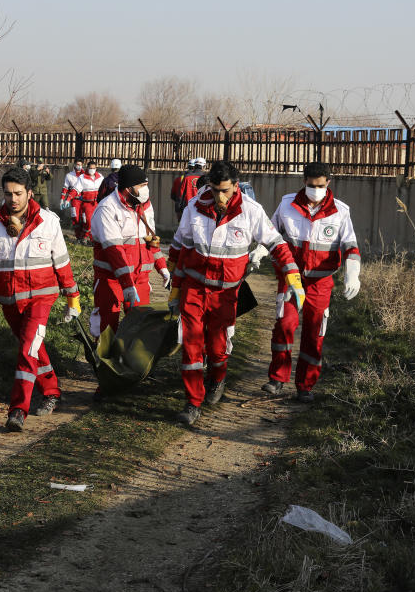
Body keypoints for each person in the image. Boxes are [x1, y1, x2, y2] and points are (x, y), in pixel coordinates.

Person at [167, 160, 304, 426]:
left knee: (218, 349)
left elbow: (277, 244)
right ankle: (192, 402)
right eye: (215, 189)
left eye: (225, 190)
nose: (220, 196)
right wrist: (173, 286)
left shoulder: (250, 211)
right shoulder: (194, 208)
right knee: (191, 345)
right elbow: (179, 246)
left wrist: (293, 276)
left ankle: (217, 378)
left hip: (226, 294)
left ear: (236, 186)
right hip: (194, 289)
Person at [0, 167, 81, 432]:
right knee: (33, 347)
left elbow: (62, 263)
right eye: (8, 193)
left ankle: (18, 410)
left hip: (41, 298)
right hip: (10, 302)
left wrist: (73, 297)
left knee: (27, 350)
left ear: (29, 193)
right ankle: (51, 391)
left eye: (17, 193)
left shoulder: (48, 222)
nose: (12, 199)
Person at [262, 162, 360, 403]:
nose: (315, 189)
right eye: (310, 184)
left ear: (328, 182)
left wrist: (352, 273)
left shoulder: (340, 211)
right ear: (303, 181)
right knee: (285, 324)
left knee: (315, 331)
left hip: (321, 281)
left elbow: (350, 245)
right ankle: (277, 378)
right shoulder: (287, 205)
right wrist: (260, 252)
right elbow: (272, 233)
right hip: (291, 277)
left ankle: (305, 386)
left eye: (320, 185)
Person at [90, 164, 170, 339]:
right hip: (110, 279)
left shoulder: (145, 206)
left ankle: (130, 363)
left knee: (140, 326)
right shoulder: (108, 209)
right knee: (107, 326)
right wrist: (126, 283)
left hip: (140, 278)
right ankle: (103, 362)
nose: (146, 189)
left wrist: (162, 266)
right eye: (142, 186)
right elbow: (114, 251)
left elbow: (150, 239)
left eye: (146, 184)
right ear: (128, 188)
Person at [72, 160, 103, 242]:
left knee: (97, 222)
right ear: (87, 168)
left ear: (96, 168)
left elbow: (104, 188)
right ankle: (84, 237)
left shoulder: (100, 177)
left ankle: (93, 239)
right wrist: (68, 198)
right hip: (87, 203)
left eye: (94, 168)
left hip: (97, 203)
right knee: (88, 221)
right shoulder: (82, 177)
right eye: (90, 168)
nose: (92, 170)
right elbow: (76, 189)